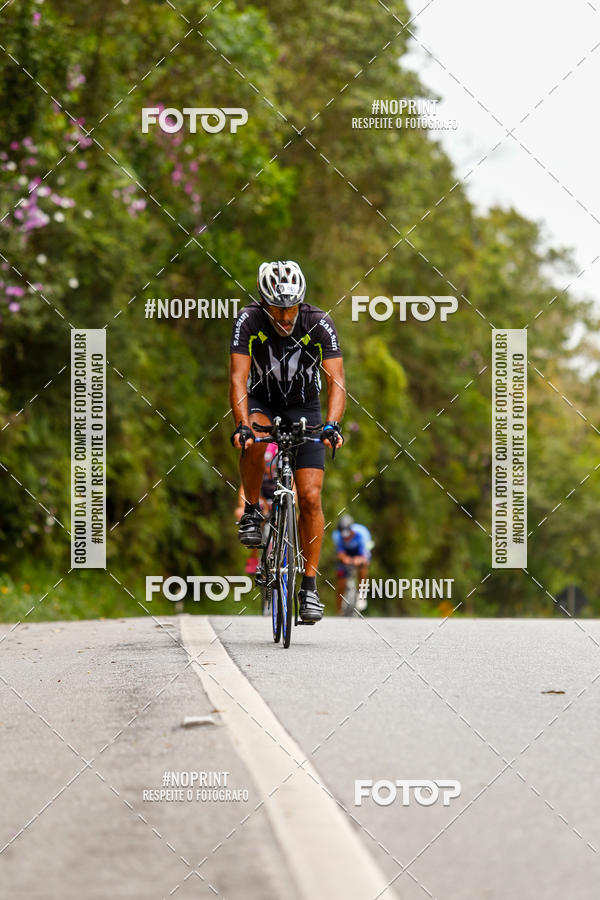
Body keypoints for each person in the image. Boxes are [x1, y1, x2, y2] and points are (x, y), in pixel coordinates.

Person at [229, 260, 345, 623]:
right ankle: (251, 511)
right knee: (255, 439)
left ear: (301, 302)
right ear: (263, 303)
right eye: (277, 308)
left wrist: (331, 424)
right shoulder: (248, 321)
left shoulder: (319, 322)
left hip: (305, 407)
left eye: (290, 307)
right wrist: (242, 425)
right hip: (262, 401)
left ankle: (309, 588)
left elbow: (336, 381)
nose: (284, 315)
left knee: (310, 497)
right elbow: (237, 378)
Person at [234, 442, 278, 575]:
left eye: (272, 462)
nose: (268, 467)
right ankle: (254, 556)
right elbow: (243, 493)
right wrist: (248, 507)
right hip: (262, 504)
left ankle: (284, 551)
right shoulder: (257, 472)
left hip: (277, 504)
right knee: (247, 514)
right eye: (266, 462)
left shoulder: (284, 474)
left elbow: (295, 495)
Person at [333, 514, 373, 615]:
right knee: (341, 580)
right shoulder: (337, 536)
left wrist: (359, 560)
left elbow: (365, 555)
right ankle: (339, 610)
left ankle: (362, 594)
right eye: (343, 535)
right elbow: (340, 553)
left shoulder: (362, 534)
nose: (345, 538)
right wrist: (345, 559)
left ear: (352, 530)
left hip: (359, 553)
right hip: (346, 554)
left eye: (348, 535)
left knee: (363, 567)